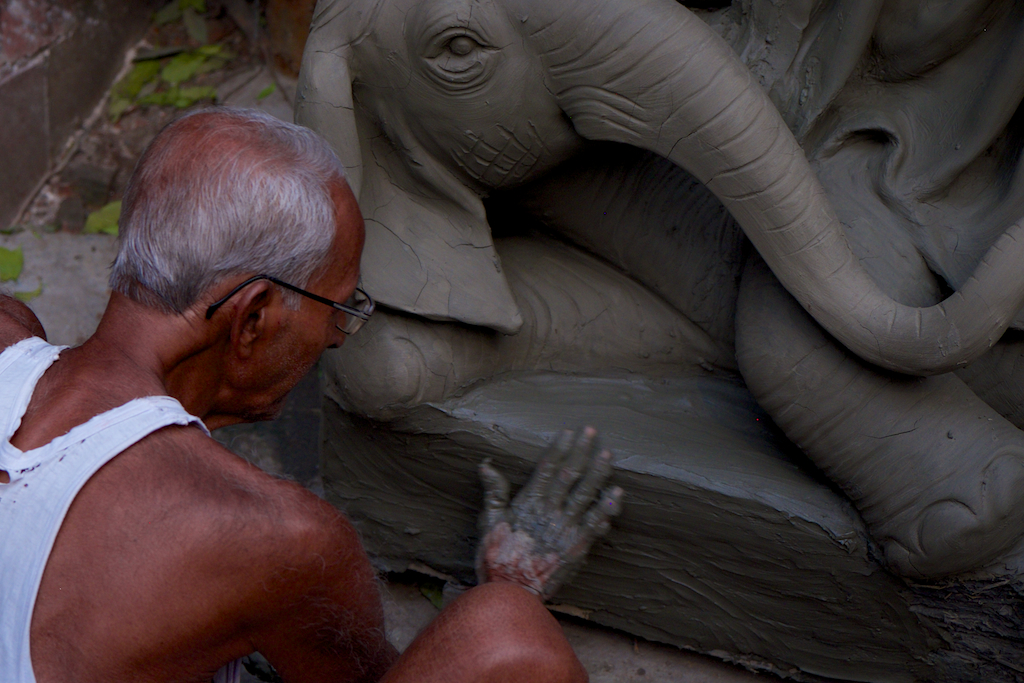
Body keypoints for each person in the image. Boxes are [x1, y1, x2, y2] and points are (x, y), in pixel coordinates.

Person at [0, 108, 623, 683]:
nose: (336, 338)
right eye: (338, 307)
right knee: (506, 636)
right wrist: (509, 584)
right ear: (252, 320)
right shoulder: (281, 539)